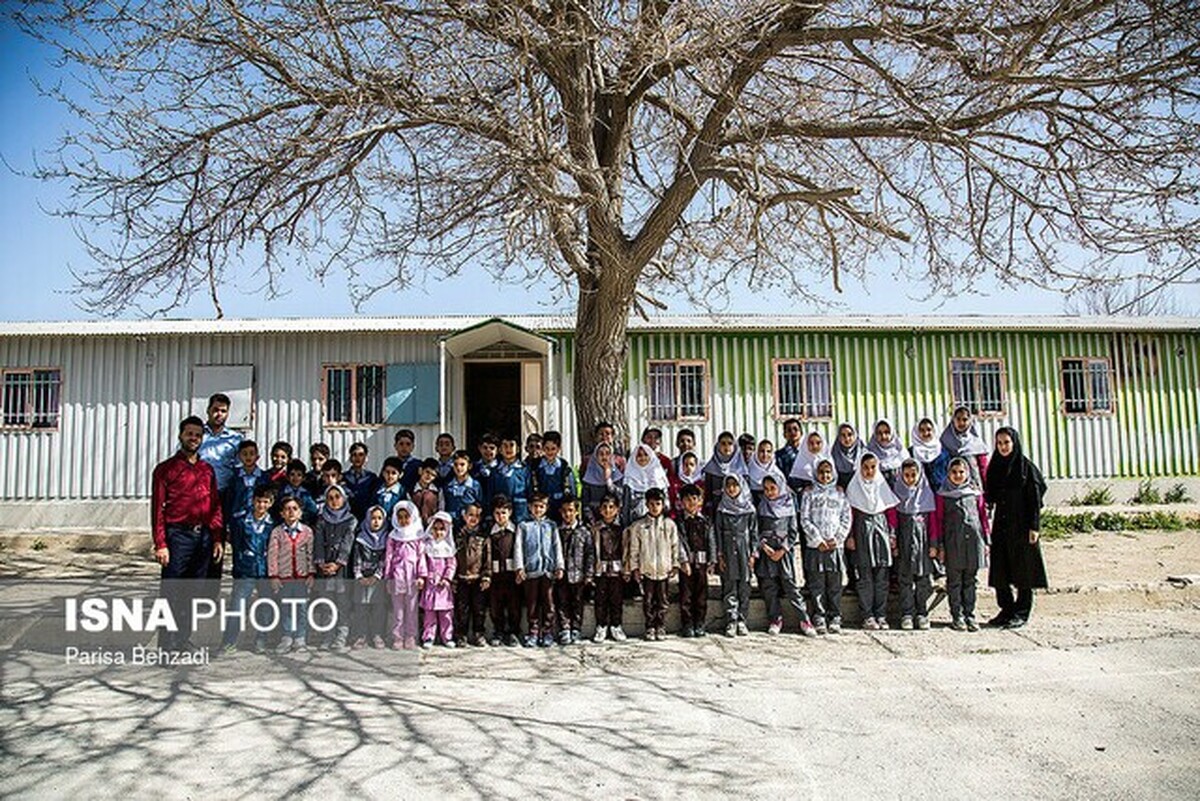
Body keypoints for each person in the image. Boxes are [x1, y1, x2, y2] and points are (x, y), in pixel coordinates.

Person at [151, 415, 225, 651]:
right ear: (181, 436)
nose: (193, 438)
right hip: (177, 537)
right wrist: (160, 543)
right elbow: (157, 509)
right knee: (172, 593)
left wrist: (216, 537)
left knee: (194, 593)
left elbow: (214, 506)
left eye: (197, 435)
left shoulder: (207, 470)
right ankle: (167, 645)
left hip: (203, 538)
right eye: (189, 434)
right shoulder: (166, 470)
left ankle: (183, 640)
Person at [984, 427, 1048, 629]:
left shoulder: (1025, 468)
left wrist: (1034, 527)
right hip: (1001, 525)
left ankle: (1022, 611)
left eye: (1006, 442)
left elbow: (1035, 499)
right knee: (1000, 568)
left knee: (1024, 569)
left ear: (1014, 443)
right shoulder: (995, 466)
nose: (1003, 447)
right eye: (999, 443)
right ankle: (1006, 609)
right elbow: (990, 494)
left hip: (1022, 526)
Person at [754, 475, 817, 637]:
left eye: (773, 488)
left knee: (790, 585)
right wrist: (764, 547)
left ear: (780, 487)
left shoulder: (789, 505)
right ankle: (775, 619)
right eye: (766, 489)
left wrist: (783, 549)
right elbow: (756, 530)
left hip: (784, 553)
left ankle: (804, 619)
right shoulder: (761, 506)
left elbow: (793, 531)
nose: (769, 492)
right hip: (767, 553)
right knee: (769, 587)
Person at [935, 457, 989, 632]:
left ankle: (970, 614)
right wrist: (940, 546)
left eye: (961, 472)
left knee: (970, 580)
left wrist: (987, 542)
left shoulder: (974, 494)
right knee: (954, 581)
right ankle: (957, 615)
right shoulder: (943, 495)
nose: (958, 476)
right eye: (954, 472)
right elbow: (939, 521)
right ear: (948, 474)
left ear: (967, 473)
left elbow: (983, 519)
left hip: (973, 542)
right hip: (952, 544)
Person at [846, 453, 899, 630]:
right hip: (861, 531)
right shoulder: (854, 487)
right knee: (865, 576)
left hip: (881, 531)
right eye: (865, 467)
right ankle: (867, 615)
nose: (869, 471)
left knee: (882, 576)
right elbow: (850, 514)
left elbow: (890, 512)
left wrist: (892, 536)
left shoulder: (881, 485)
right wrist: (851, 536)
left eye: (872, 467)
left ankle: (881, 614)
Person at [221, 484, 275, 653]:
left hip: (265, 570)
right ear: (253, 501)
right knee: (238, 605)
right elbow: (236, 545)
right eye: (259, 501)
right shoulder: (241, 522)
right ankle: (229, 641)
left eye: (266, 502)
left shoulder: (273, 524)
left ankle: (261, 640)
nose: (261, 506)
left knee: (265, 605)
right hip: (245, 569)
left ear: (271, 503)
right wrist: (239, 564)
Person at [800, 458, 851, 635]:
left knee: (835, 583)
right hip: (817, 547)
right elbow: (804, 519)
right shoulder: (809, 493)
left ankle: (835, 615)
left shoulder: (839, 493)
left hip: (835, 546)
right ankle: (819, 616)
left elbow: (846, 517)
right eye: (821, 472)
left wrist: (837, 538)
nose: (825, 475)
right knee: (817, 583)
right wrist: (817, 539)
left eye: (828, 472)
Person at [625, 487, 681, 641]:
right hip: (647, 570)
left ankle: (660, 626)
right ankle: (650, 627)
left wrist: (675, 564)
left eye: (658, 503)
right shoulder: (639, 526)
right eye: (651, 504)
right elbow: (634, 550)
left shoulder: (669, 525)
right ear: (646, 505)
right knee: (648, 601)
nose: (655, 507)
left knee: (663, 600)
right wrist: (635, 568)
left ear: (663, 505)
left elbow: (675, 546)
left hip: (664, 570)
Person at [890, 458, 938, 631]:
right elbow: (893, 521)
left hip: (924, 547)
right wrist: (893, 541)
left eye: (913, 475)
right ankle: (907, 614)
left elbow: (933, 524)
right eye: (907, 475)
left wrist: (934, 544)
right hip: (904, 545)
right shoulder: (897, 494)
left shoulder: (927, 495)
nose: (910, 478)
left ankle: (922, 613)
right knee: (905, 580)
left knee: (923, 579)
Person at [267, 495, 315, 653]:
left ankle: (300, 638)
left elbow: (311, 554)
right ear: (281, 513)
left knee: (302, 607)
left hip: (302, 578)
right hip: (284, 577)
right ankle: (286, 637)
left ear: (300, 512)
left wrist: (311, 573)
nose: (291, 512)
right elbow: (273, 554)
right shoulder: (277, 532)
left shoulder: (307, 532)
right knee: (286, 607)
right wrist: (274, 576)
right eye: (287, 509)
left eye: (295, 509)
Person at [515, 494, 564, 647]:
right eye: (535, 506)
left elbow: (557, 546)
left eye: (541, 506)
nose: (538, 509)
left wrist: (559, 565)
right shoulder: (523, 526)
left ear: (546, 508)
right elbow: (518, 547)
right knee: (532, 603)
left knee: (548, 602)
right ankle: (533, 632)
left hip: (548, 571)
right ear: (530, 507)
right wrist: (519, 567)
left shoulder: (551, 525)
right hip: (531, 571)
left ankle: (548, 632)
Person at [312, 484, 356, 650]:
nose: (334, 501)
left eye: (338, 497)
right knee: (326, 602)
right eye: (330, 498)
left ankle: (341, 635)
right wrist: (322, 563)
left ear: (344, 498)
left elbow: (347, 542)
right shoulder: (322, 519)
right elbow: (318, 542)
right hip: (324, 569)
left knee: (342, 602)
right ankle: (327, 636)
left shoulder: (351, 519)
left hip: (341, 570)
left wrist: (337, 563)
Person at [715, 474, 756, 638]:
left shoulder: (749, 508)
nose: (732, 489)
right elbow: (717, 532)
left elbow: (754, 532)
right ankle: (731, 620)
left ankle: (742, 620)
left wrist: (753, 554)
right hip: (727, 550)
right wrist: (719, 555)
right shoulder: (722, 509)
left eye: (735, 485)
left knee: (744, 586)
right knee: (729, 585)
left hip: (744, 550)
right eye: (728, 485)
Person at [676, 484, 716, 637]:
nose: (691, 502)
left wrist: (712, 562)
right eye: (687, 499)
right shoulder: (680, 521)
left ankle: (700, 623)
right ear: (681, 502)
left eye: (694, 498)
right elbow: (679, 542)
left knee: (701, 595)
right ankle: (687, 624)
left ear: (700, 501)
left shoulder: (706, 521)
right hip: (686, 565)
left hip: (702, 564)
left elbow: (711, 541)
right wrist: (683, 561)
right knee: (686, 595)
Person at [384, 500, 425, 649]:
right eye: (400, 517)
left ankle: (410, 636)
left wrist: (421, 576)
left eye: (406, 517)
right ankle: (397, 637)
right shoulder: (393, 536)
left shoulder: (418, 536)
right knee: (398, 610)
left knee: (412, 609)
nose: (403, 520)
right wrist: (388, 577)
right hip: (397, 577)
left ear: (412, 517)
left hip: (412, 578)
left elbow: (421, 557)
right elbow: (388, 557)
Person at [350, 505, 390, 649]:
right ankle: (361, 635)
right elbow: (357, 559)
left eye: (380, 518)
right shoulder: (361, 538)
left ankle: (378, 634)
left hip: (378, 579)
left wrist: (377, 576)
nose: (376, 521)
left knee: (379, 607)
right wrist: (359, 576)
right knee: (361, 607)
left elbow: (385, 559)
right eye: (373, 518)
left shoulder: (387, 538)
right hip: (362, 579)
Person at [590, 493, 628, 643]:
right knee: (600, 599)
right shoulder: (596, 529)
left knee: (616, 599)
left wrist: (627, 569)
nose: (608, 510)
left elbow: (626, 549)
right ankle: (601, 626)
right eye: (604, 507)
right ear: (600, 510)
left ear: (617, 509)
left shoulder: (622, 528)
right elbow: (592, 550)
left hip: (618, 570)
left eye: (611, 507)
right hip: (601, 569)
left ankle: (616, 625)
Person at [554, 500, 593, 645]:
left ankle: (576, 628)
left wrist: (588, 574)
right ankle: (564, 628)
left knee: (577, 602)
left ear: (577, 511)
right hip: (561, 574)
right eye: (564, 511)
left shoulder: (584, 532)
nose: (567, 514)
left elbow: (589, 554)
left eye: (570, 510)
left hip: (578, 574)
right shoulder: (557, 531)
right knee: (562, 602)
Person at [453, 503, 492, 647]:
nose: (473, 518)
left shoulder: (483, 537)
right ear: (464, 516)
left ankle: (478, 633)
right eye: (470, 515)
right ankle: (461, 635)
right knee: (462, 609)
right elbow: (453, 558)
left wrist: (486, 575)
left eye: (477, 516)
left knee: (479, 608)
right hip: (462, 578)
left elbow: (487, 558)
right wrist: (454, 579)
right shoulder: (458, 535)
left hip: (477, 579)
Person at [418, 511, 458, 648]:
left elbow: (451, 565)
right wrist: (424, 576)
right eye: (435, 529)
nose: (438, 532)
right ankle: (428, 637)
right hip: (430, 584)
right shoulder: (427, 546)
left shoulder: (448, 548)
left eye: (442, 529)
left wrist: (447, 578)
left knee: (445, 614)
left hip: (443, 587)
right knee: (429, 614)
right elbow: (422, 562)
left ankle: (447, 637)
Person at [487, 496, 522, 647]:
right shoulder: (491, 533)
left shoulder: (515, 531)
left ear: (510, 513)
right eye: (497, 513)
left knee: (514, 605)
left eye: (503, 513)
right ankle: (498, 631)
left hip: (512, 575)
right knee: (496, 605)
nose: (500, 517)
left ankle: (513, 631)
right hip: (495, 575)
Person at [198, 392, 242, 499]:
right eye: (215, 410)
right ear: (208, 411)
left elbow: (240, 468)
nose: (219, 414)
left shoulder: (235, 439)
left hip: (225, 494)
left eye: (223, 411)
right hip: (199, 493)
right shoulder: (197, 434)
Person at [533, 430, 577, 522]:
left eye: (553, 448)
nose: (550, 452)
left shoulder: (564, 468)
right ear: (542, 448)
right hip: (541, 508)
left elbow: (572, 491)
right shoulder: (536, 467)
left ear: (558, 448)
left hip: (560, 508)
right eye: (547, 448)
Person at [703, 431, 748, 518]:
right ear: (718, 446)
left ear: (734, 446)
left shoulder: (741, 468)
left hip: (737, 513)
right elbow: (708, 494)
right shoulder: (711, 468)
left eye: (730, 443)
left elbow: (746, 494)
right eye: (723, 443)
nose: (726, 447)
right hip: (716, 511)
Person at [622, 442, 670, 526]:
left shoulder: (659, 478)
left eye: (646, 454)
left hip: (659, 526)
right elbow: (626, 507)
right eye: (639, 455)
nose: (643, 458)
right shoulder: (630, 479)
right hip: (636, 525)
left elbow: (666, 504)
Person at [227, 439, 268, 524]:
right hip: (238, 520)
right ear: (239, 457)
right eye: (244, 454)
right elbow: (229, 500)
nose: (248, 457)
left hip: (259, 520)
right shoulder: (234, 477)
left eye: (252, 454)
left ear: (257, 456)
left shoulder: (264, 477)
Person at [580, 442, 623, 524]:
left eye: (607, 454)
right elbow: (585, 503)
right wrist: (592, 521)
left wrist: (608, 480)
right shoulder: (589, 476)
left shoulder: (617, 476)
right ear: (596, 457)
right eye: (601, 454)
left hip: (614, 521)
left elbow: (620, 497)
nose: (604, 457)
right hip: (594, 520)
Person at [494, 437, 533, 523]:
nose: (508, 449)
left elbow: (530, 492)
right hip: (501, 514)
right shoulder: (495, 471)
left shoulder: (525, 470)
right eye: (505, 446)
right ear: (500, 450)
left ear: (518, 449)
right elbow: (490, 494)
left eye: (511, 445)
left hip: (521, 514)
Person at [443, 450, 483, 523]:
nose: (458, 468)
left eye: (462, 464)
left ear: (469, 466)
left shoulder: (475, 485)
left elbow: (479, 504)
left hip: (469, 522)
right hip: (451, 521)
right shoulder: (448, 485)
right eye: (456, 464)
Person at [275, 459, 318, 526]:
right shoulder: (282, 492)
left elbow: (313, 511)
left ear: (303, 478)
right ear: (287, 476)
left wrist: (300, 516)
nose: (295, 478)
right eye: (292, 474)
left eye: (299, 475)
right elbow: (276, 510)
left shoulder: (306, 494)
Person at [344, 441, 379, 520]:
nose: (357, 458)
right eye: (354, 455)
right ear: (350, 458)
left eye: (361, 455)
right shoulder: (343, 477)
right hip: (346, 517)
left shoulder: (372, 478)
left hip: (365, 517)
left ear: (366, 458)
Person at [866, 418, 906, 487]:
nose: (883, 436)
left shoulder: (902, 453)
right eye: (879, 433)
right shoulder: (869, 454)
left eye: (887, 432)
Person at [747, 438, 786, 505]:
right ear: (756, 452)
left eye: (768, 451)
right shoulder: (748, 469)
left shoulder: (777, 474)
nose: (765, 454)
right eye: (762, 451)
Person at [669, 450, 705, 515]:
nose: (689, 467)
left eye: (692, 464)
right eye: (686, 465)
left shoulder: (701, 484)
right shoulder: (674, 482)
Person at [409, 458, 444, 524]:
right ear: (420, 470)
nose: (429, 476)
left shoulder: (438, 491)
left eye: (433, 475)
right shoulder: (411, 489)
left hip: (432, 525)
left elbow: (441, 508)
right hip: (414, 524)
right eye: (427, 472)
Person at [392, 429, 423, 494]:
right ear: (395, 446)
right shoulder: (390, 463)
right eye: (401, 444)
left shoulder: (418, 465)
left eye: (408, 444)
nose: (404, 447)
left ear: (413, 447)